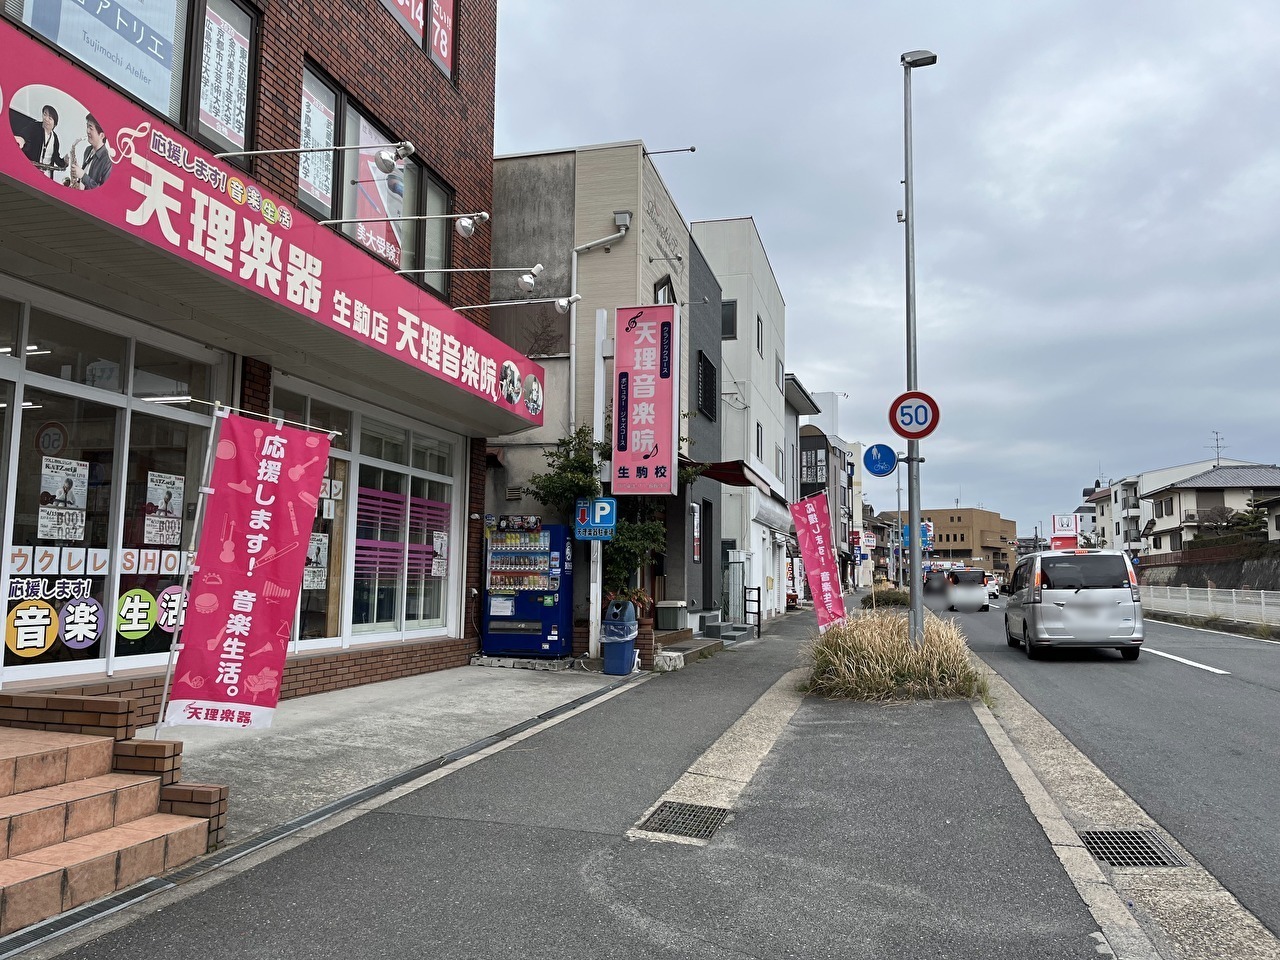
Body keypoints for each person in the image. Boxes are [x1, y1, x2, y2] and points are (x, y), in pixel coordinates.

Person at [14, 105, 66, 179]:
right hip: (31, 170)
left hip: (46, 175)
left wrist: (64, 162)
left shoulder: (55, 138)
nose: (46, 119)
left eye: (50, 118)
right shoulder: (35, 126)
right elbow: (25, 133)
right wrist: (21, 139)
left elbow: (56, 157)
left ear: (55, 124)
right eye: (44, 114)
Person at [66, 114, 112, 191]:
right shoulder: (88, 150)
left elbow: (103, 192)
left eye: (91, 128)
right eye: (87, 126)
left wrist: (83, 176)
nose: (87, 131)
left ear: (101, 135)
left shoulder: (107, 160)